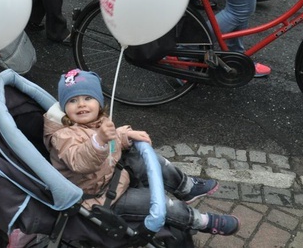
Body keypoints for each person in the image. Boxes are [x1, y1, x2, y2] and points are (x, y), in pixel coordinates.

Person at [43, 69, 239, 237]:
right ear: (64, 107)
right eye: (73, 100)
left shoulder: (95, 122)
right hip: (100, 197)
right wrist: (100, 140)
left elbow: (110, 142)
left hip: (112, 174)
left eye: (88, 98)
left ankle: (185, 186)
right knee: (159, 203)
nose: (81, 105)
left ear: (99, 102)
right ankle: (201, 221)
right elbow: (81, 161)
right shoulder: (63, 136)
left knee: (150, 159)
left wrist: (124, 136)